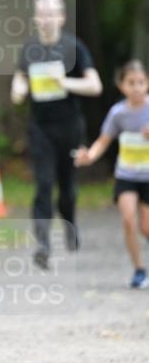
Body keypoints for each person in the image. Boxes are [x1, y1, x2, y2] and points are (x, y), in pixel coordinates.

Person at [11, 0, 102, 267]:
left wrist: (65, 83)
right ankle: (43, 245)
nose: (46, 19)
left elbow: (95, 86)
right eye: (42, 13)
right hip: (41, 129)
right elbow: (19, 84)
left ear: (61, 17)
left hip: (70, 129)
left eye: (52, 13)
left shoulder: (74, 48)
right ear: (36, 18)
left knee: (67, 189)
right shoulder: (30, 50)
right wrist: (19, 89)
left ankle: (70, 221)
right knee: (44, 185)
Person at [74, 59, 149, 288]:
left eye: (141, 82)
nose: (136, 87)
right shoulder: (118, 113)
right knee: (128, 219)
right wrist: (90, 156)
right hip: (126, 175)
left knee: (146, 227)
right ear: (121, 85)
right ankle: (138, 270)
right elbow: (103, 141)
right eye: (131, 82)